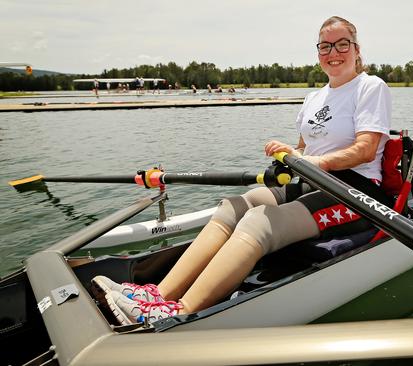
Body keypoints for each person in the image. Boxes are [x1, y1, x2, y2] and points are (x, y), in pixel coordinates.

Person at [92, 15, 392, 325]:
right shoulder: (314, 97)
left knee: (259, 224)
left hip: (356, 191)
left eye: (343, 44)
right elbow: (306, 149)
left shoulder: (370, 87)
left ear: (356, 50)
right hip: (313, 180)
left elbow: (365, 149)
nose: (334, 52)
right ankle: (156, 295)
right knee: (233, 207)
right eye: (325, 46)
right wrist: (292, 152)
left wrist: (316, 162)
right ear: (318, 53)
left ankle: (179, 313)